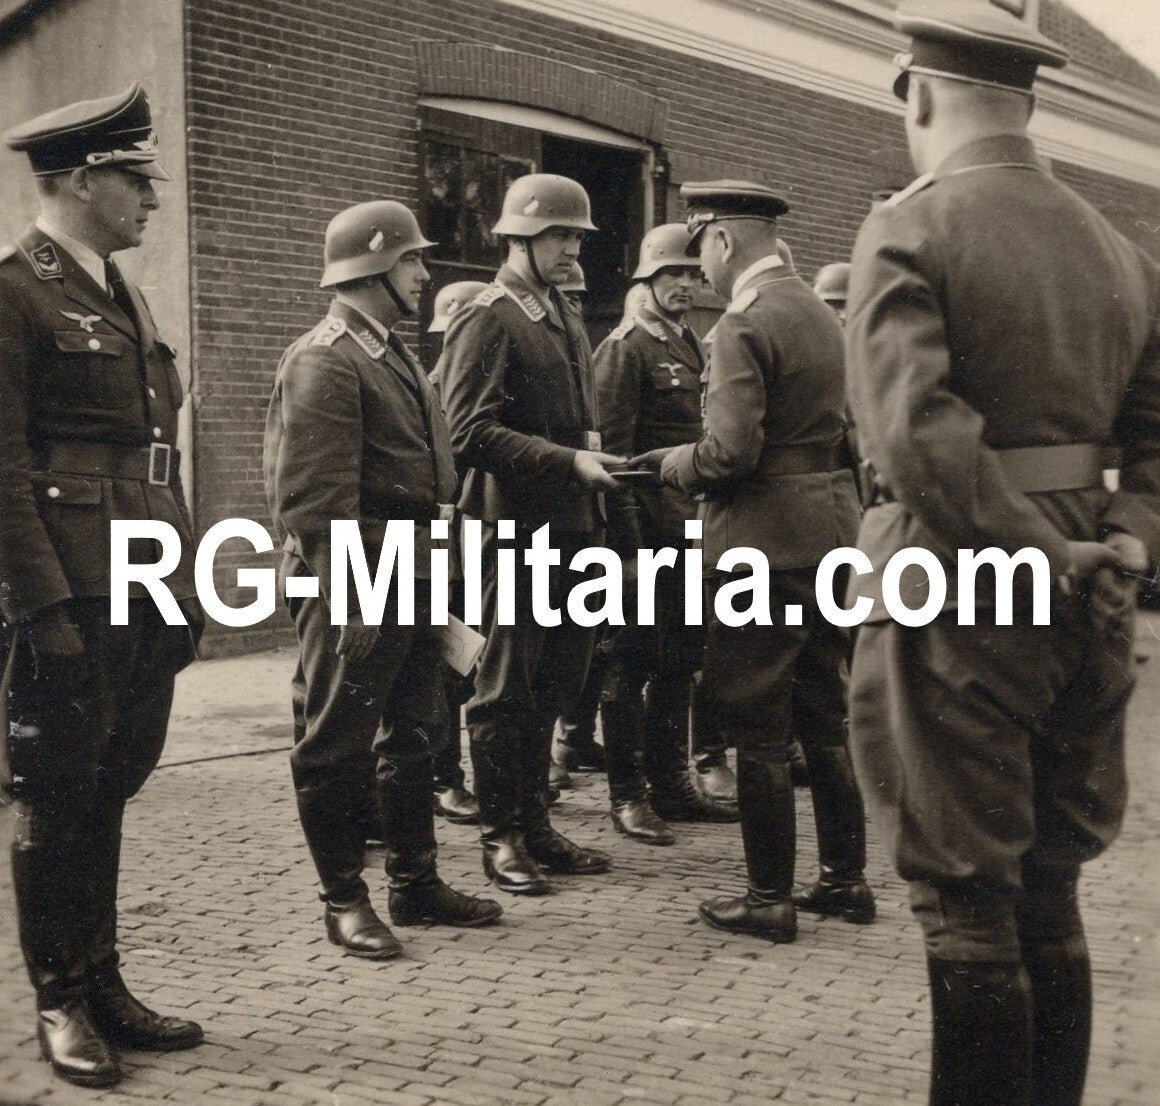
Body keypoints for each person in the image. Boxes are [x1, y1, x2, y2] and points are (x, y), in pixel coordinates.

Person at [845, 3, 1160, 1104]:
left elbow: (911, 435)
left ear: (917, 93)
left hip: (959, 583)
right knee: (1046, 882)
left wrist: (1030, 549)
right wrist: (1121, 536)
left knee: (965, 900)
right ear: (1024, 102)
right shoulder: (1119, 250)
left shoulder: (909, 227)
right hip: (1091, 589)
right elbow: (1152, 432)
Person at [0, 85, 205, 1088]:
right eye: (137, 178)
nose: (151, 198)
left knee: (111, 787)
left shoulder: (124, 294)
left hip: (141, 585)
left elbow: (153, 457)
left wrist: (182, 587)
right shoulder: (13, 294)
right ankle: (57, 998)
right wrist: (38, 610)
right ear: (83, 178)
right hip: (71, 596)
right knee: (55, 791)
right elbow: (2, 469)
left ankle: (103, 979)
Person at [634, 181, 874, 942]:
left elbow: (728, 453)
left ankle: (769, 898)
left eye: (700, 245)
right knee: (826, 719)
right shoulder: (820, 314)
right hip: (831, 534)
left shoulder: (743, 324)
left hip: (761, 547)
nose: (700, 266)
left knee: (760, 728)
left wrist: (671, 464)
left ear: (725, 240)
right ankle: (845, 881)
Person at [264, 201, 502, 960]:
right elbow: (310, 497)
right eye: (411, 262)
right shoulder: (325, 358)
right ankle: (344, 900)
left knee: (418, 734)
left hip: (412, 568)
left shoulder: (388, 351)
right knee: (337, 745)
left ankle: (416, 884)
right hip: (363, 572)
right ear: (371, 264)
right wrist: (347, 591)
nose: (425, 274)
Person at [438, 173, 621, 895]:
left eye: (578, 237)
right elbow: (467, 431)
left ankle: (536, 823)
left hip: (575, 529)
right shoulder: (489, 314)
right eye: (559, 236)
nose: (573, 249)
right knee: (503, 688)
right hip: (514, 531)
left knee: (557, 680)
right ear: (518, 236)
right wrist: (569, 461)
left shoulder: (561, 314)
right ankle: (500, 837)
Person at [594, 224, 740, 845]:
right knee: (628, 662)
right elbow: (616, 462)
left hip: (686, 534)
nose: (684, 284)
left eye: (691, 274)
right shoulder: (625, 349)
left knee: (681, 660)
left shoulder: (688, 343)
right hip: (643, 537)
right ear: (645, 280)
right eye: (671, 275)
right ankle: (628, 795)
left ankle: (671, 784)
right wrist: (624, 552)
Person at [425, 280, 490, 826]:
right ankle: (444, 779)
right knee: (444, 667)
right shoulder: (427, 392)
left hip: (476, 543)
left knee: (467, 662)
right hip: (443, 546)